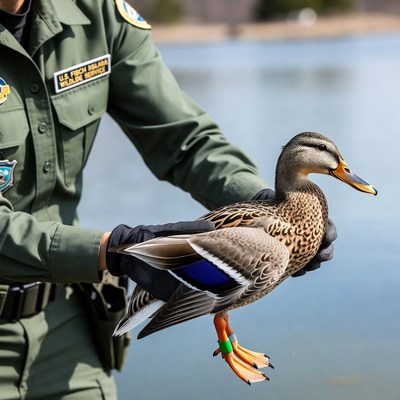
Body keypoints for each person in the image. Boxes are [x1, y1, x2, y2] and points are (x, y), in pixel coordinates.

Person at [0, 0, 336, 398]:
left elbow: (184, 140)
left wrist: (267, 208)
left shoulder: (96, 13)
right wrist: (115, 250)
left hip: (67, 319)